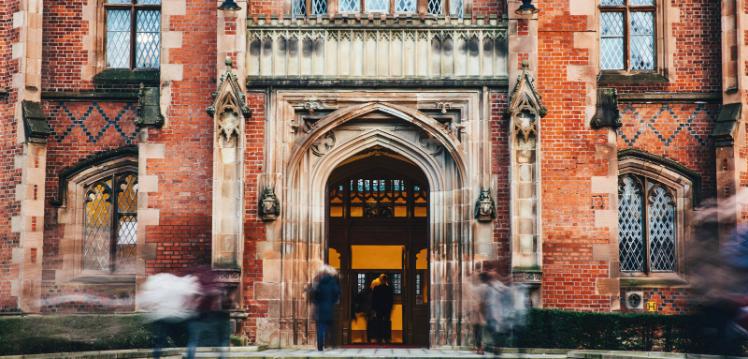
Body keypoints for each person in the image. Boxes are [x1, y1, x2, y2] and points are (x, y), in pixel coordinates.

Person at [138, 272, 200, 359]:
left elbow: (146, 300)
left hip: (160, 316)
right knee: (191, 339)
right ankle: (189, 356)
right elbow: (190, 297)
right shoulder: (181, 281)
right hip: (178, 316)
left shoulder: (155, 281)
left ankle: (157, 357)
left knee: (159, 342)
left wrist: (151, 309)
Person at [186, 266, 229, 359]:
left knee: (193, 340)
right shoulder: (214, 286)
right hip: (212, 317)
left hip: (198, 316)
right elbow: (219, 303)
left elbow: (191, 302)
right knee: (220, 341)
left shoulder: (196, 285)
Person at [311, 265, 341, 351]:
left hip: (320, 308)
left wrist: (317, 302)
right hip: (330, 307)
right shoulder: (333, 282)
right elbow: (337, 293)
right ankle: (333, 344)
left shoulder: (319, 282)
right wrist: (334, 301)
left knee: (320, 328)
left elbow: (315, 295)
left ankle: (320, 346)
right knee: (332, 327)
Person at [370, 273, 394, 344]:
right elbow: (391, 300)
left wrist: (373, 309)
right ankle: (387, 338)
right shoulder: (389, 289)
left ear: (380, 280)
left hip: (378, 308)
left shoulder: (377, 288)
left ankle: (379, 338)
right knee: (387, 323)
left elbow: (373, 300)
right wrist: (390, 308)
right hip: (387, 308)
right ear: (386, 280)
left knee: (379, 323)